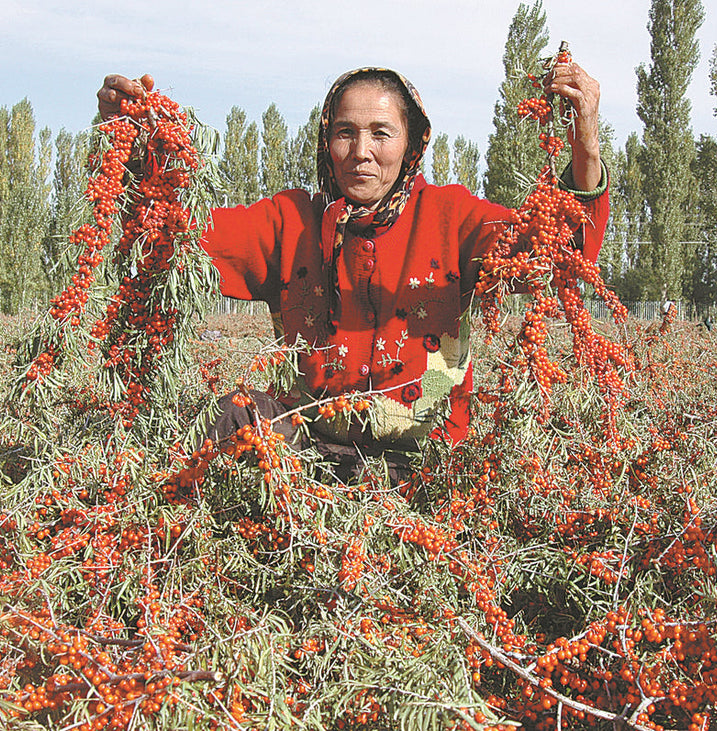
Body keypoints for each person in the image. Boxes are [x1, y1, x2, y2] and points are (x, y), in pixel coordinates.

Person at [98, 64, 608, 482]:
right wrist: (139, 151)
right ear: (327, 140)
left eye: (380, 133)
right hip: (310, 448)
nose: (361, 151)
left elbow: (552, 249)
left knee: (465, 484)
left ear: (412, 145)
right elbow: (180, 238)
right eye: (346, 132)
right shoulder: (291, 222)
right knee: (235, 416)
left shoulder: (451, 216)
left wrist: (584, 143)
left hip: (422, 460)